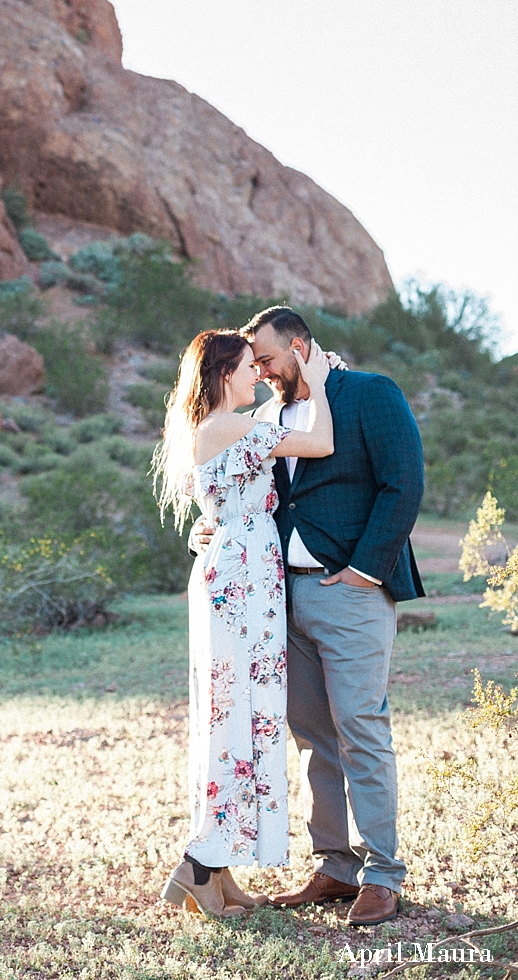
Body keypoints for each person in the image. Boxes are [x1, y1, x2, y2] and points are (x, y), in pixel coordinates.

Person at [191, 306, 425, 929]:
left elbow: (403, 483)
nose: (261, 372)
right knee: (311, 735)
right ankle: (335, 866)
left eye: (266, 359)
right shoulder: (263, 419)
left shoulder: (368, 393)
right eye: (253, 365)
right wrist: (208, 529)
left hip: (348, 588)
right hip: (274, 600)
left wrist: (366, 570)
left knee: (361, 728)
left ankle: (381, 874)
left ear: (299, 346)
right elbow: (244, 494)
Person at [153, 328, 336, 917]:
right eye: (246, 366)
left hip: (244, 570)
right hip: (241, 577)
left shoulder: (222, 425)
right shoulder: (227, 424)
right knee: (231, 713)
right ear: (221, 374)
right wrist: (322, 382)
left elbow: (219, 503)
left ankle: (218, 873)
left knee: (236, 712)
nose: (256, 373)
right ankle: (200, 865)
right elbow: (320, 442)